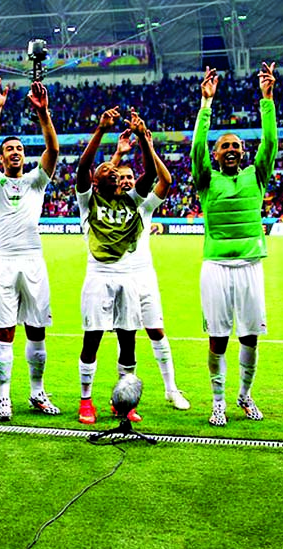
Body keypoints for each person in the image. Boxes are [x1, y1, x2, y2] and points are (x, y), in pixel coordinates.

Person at [191, 63, 277, 427]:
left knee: (251, 336)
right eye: (224, 146)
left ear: (244, 153)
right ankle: (217, 401)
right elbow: (197, 146)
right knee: (218, 338)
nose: (230, 149)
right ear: (216, 154)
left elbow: (270, 142)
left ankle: (244, 395)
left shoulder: (256, 175)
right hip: (215, 268)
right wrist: (206, 105)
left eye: (236, 146)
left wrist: (266, 99)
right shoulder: (206, 180)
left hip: (250, 266)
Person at [0, 77, 60, 421]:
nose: (15, 153)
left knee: (37, 329)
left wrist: (43, 114)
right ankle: (3, 397)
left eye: (19, 150)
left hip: (33, 259)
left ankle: (37, 392)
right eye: (9, 150)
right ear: (1, 156)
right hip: (2, 261)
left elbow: (53, 151)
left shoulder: (35, 182)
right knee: (6, 331)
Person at [72, 108, 161, 424]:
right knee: (92, 340)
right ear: (94, 183)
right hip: (98, 277)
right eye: (107, 171)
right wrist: (100, 130)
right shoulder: (88, 201)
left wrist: (142, 138)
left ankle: (124, 402)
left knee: (128, 340)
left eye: (117, 170)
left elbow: (150, 175)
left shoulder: (132, 200)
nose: (114, 172)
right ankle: (86, 401)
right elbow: (84, 165)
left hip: (127, 278)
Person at [108, 125, 189, 412]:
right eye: (123, 177)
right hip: (117, 278)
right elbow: (100, 179)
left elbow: (164, 180)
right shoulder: (106, 205)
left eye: (132, 177)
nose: (128, 181)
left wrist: (148, 146)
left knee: (157, 331)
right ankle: (124, 399)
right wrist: (117, 157)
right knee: (125, 336)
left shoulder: (145, 206)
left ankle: (171, 390)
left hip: (144, 277)